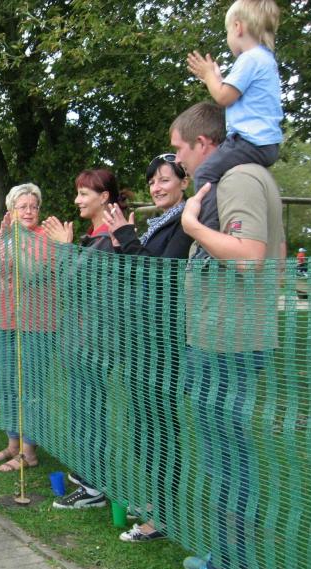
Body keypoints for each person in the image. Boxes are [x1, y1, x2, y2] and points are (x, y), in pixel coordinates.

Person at [166, 101, 284, 569]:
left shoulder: (239, 180)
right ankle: (225, 553)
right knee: (222, 457)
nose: (177, 161)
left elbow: (250, 258)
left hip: (230, 343)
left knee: (228, 461)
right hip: (220, 339)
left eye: (179, 149)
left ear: (204, 143)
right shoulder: (230, 179)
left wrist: (192, 227)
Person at [101, 155, 193, 542]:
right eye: (152, 181)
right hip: (140, 341)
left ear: (184, 182)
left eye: (164, 180)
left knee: (160, 428)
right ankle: (156, 503)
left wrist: (125, 235)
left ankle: (163, 517)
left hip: (163, 344)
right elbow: (136, 274)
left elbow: (158, 274)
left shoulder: (185, 222)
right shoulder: (159, 224)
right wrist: (122, 243)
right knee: (142, 427)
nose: (156, 187)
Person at [44, 169, 129, 510]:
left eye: (84, 194)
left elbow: (74, 285)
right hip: (80, 340)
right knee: (82, 411)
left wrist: (63, 249)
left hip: (94, 343)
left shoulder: (107, 239)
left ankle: (93, 486)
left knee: (89, 413)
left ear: (104, 197)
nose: (77, 200)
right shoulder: (94, 236)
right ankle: (87, 477)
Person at [0, 183, 62, 473]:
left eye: (34, 206)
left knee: (31, 387)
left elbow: (31, 273)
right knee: (6, 384)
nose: (29, 211)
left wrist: (7, 244)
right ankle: (13, 443)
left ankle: (29, 451)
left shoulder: (47, 238)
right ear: (11, 210)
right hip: (3, 320)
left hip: (37, 325)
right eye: (22, 206)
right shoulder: (3, 237)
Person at [186, 0, 282, 261]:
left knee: (205, 174)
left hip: (249, 141)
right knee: (219, 173)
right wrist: (216, 77)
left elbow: (222, 96)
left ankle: (209, 239)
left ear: (238, 27)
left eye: (227, 31)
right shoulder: (266, 59)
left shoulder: (249, 58)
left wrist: (209, 76)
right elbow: (233, 93)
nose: (228, 37)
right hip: (267, 143)